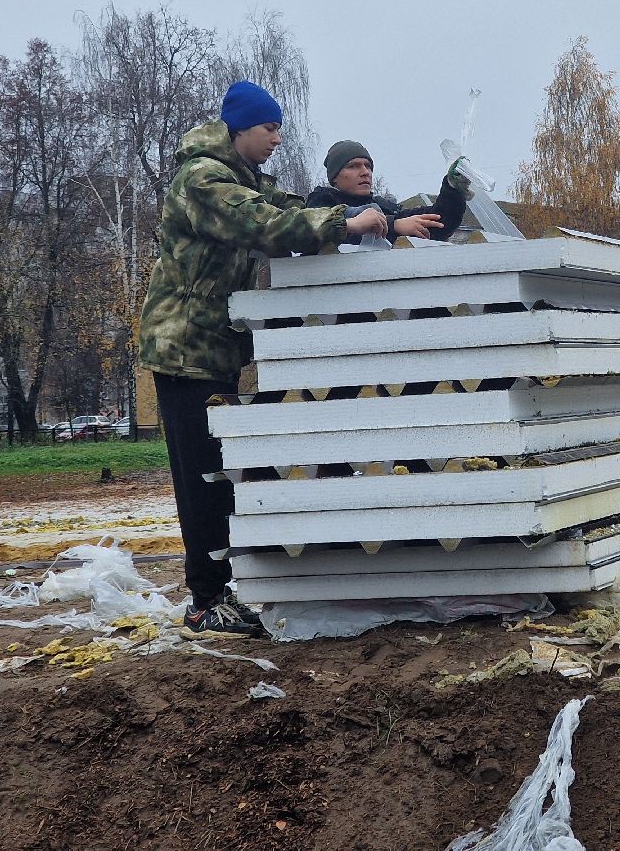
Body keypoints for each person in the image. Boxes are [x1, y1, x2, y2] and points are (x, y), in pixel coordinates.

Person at [138, 81, 389, 639]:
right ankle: (204, 602)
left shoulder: (245, 179)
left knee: (221, 474)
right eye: (269, 128)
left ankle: (222, 591)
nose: (277, 138)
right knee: (201, 479)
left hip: (214, 347)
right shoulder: (203, 180)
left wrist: (381, 220)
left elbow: (290, 209)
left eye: (279, 129)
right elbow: (264, 226)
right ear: (240, 128)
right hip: (184, 350)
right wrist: (344, 224)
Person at [305, 140, 469, 241]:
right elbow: (328, 230)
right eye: (353, 166)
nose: (365, 172)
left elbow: (438, 222)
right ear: (335, 176)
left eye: (368, 166)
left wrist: (453, 188)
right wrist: (393, 225)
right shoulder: (320, 205)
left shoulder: (385, 208)